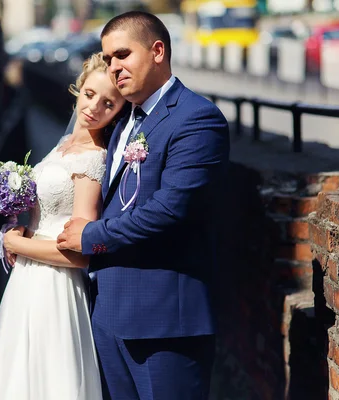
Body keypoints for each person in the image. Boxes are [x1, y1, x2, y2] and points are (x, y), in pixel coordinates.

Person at [57, 11, 230, 400]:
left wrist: (91, 236)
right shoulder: (120, 122)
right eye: (108, 58)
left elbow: (170, 210)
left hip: (165, 323)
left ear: (157, 50)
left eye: (122, 55)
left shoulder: (197, 119)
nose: (113, 67)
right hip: (107, 316)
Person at [0, 53, 126, 399]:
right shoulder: (63, 146)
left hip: (55, 284)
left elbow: (80, 255)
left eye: (109, 104)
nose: (95, 108)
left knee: (48, 377)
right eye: (90, 94)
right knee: (17, 375)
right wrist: (13, 213)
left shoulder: (93, 159)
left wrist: (16, 245)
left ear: (119, 112)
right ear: (78, 89)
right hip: (28, 280)